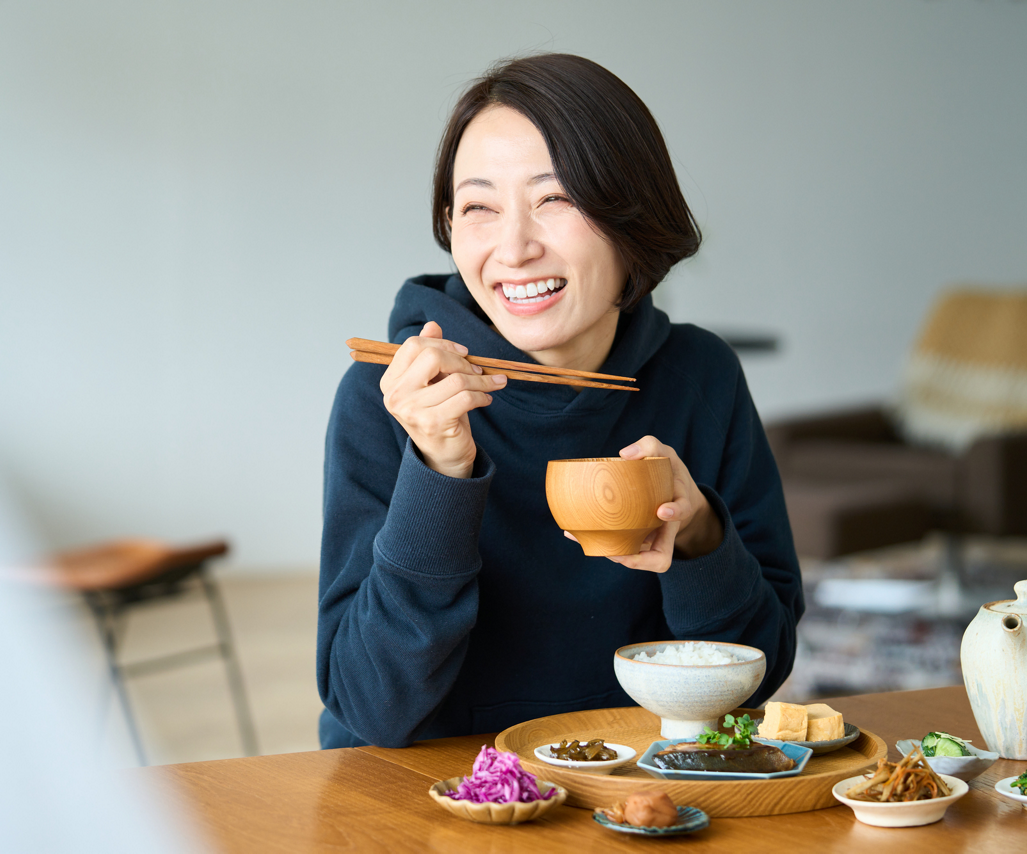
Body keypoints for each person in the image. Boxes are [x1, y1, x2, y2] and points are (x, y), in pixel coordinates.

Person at [317, 53, 803, 749]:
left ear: (631, 214)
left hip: (633, 776)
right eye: (479, 207)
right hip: (434, 786)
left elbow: (756, 678)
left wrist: (699, 536)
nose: (514, 249)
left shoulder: (701, 377)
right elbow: (371, 708)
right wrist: (440, 472)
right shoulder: (395, 397)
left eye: (556, 199)